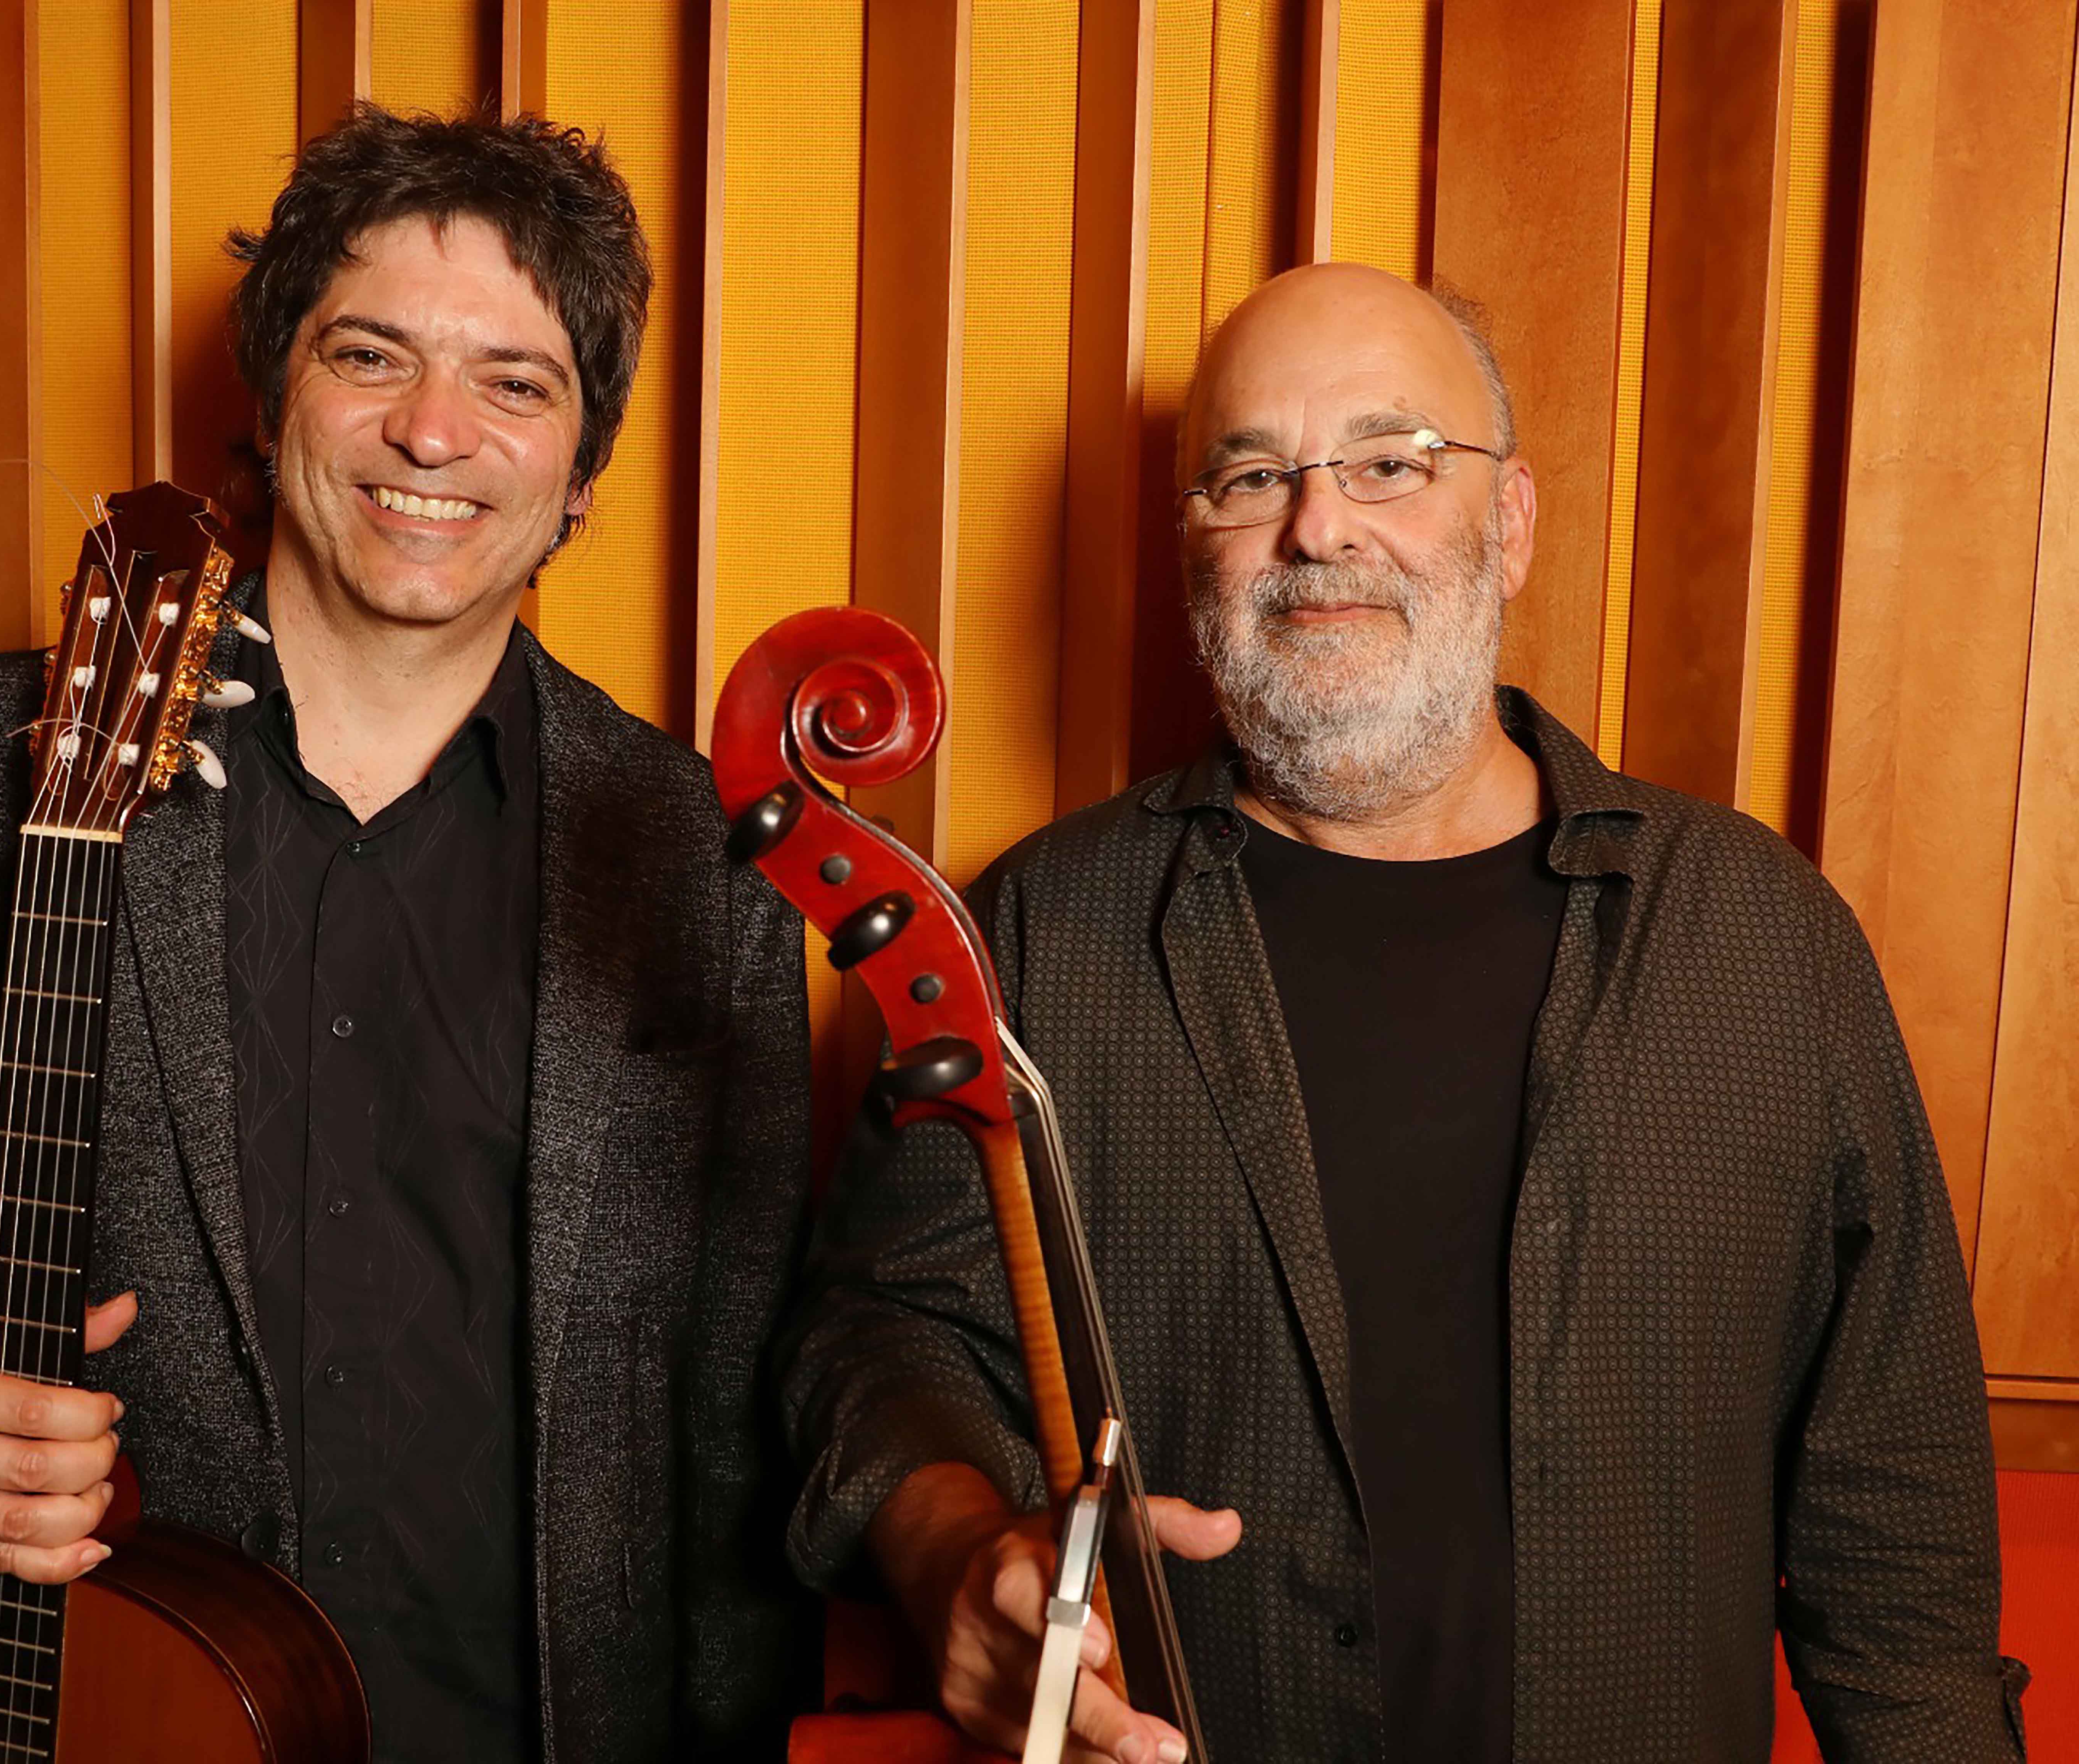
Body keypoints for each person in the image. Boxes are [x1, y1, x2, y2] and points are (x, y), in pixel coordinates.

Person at [779, 262, 2021, 1762]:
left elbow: (1898, 1546)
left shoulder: (1762, 938)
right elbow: (881, 1336)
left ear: (1506, 526)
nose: (1318, 527)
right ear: (1192, 552)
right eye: (1250, 476)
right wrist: (951, 1547)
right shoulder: (1037, 927)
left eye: (1388, 462)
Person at [0, 106, 812, 1762]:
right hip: (110, 1706)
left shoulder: (696, 851)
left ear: (581, 474)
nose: (431, 432)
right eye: (368, 354)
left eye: (513, 383)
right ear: (271, 392)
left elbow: (734, 1399)